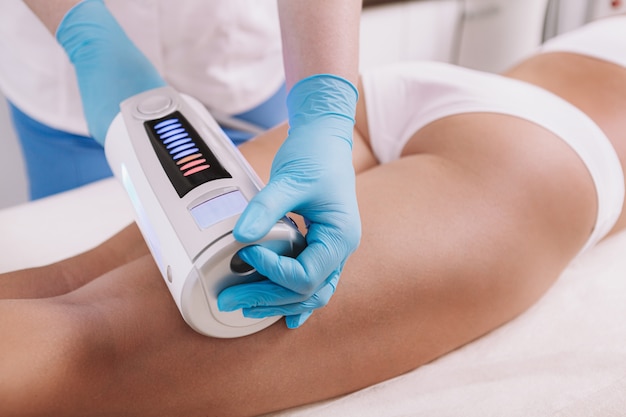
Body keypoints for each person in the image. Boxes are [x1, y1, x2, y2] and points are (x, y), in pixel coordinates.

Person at [1, 12, 625, 417]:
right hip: (529, 152)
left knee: (75, 297)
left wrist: (326, 107)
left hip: (381, 95)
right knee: (92, 343)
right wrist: (85, 24)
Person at [22, 0, 363, 329]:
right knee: (77, 273)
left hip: (241, 59)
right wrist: (84, 31)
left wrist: (323, 110)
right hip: (79, 98)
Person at [0, 0, 287, 199]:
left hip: (242, 56)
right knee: (82, 255)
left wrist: (323, 93)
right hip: (74, 91)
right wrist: (83, 31)